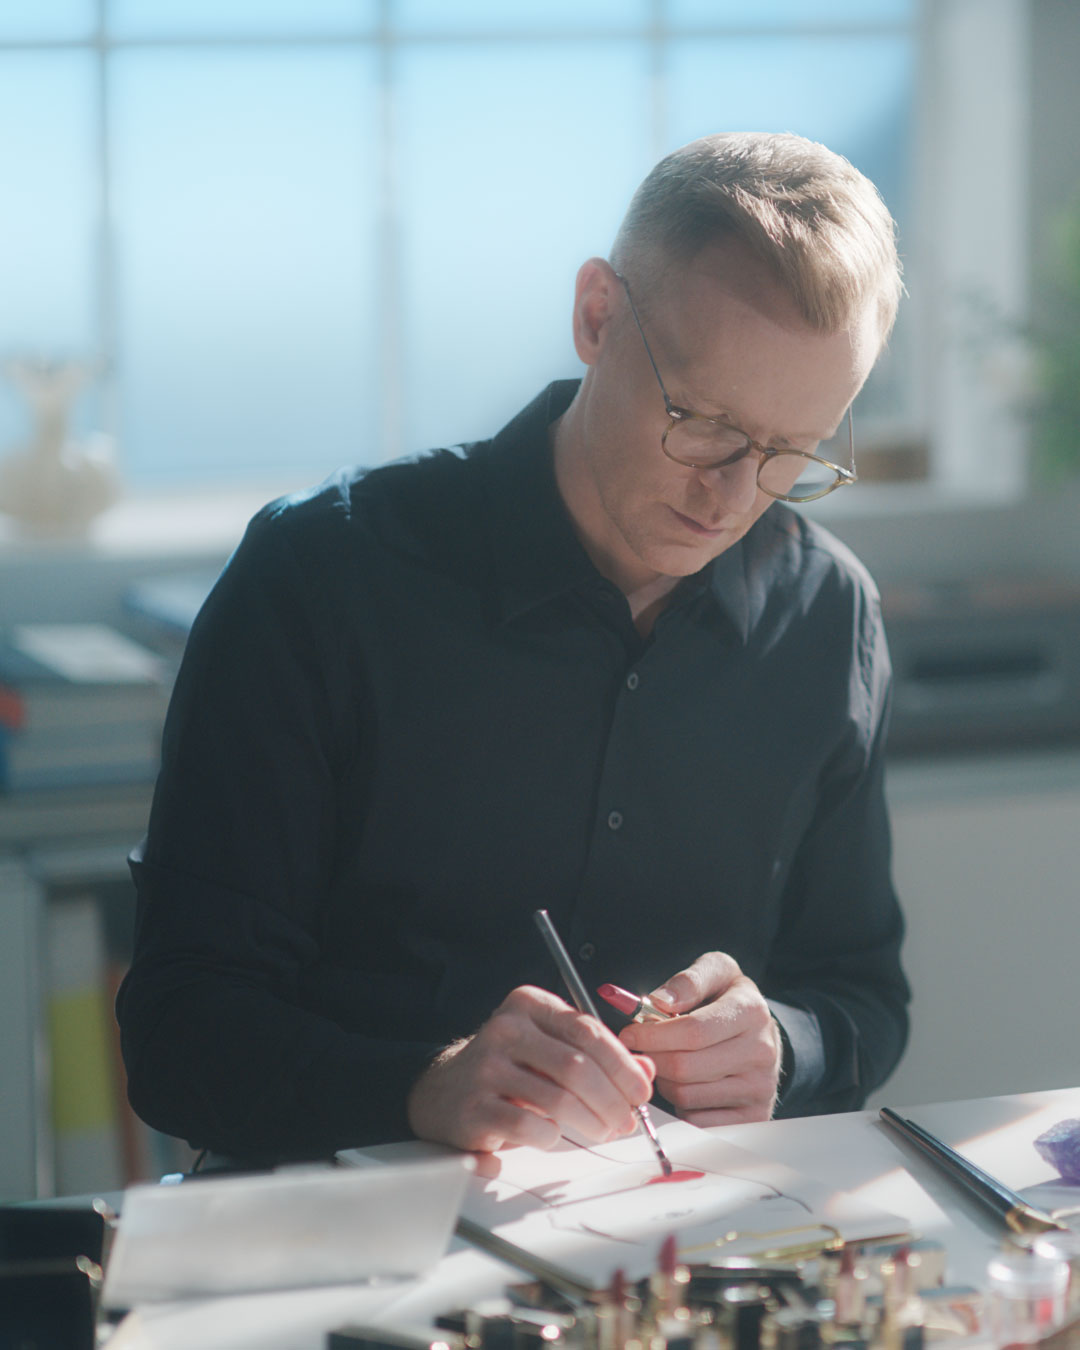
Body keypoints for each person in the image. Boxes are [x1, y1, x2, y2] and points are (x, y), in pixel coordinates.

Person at [117, 131, 910, 1165]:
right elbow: (180, 1033)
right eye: (703, 422)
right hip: (342, 1247)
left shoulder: (827, 616)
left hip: (665, 1255)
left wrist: (783, 1049)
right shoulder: (320, 578)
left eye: (792, 453)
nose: (731, 495)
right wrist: (422, 1090)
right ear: (596, 316)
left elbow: (861, 993)